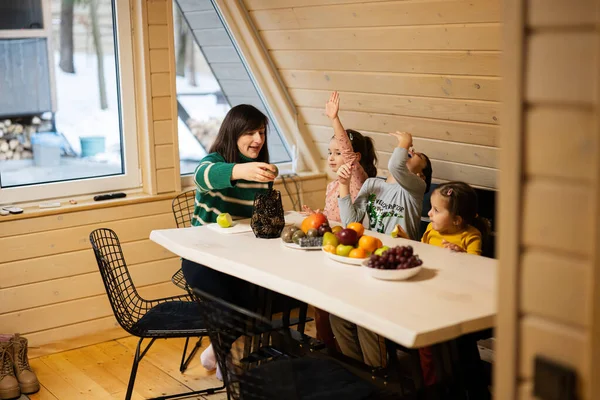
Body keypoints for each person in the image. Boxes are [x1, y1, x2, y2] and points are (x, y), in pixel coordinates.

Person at [181, 104, 277, 379]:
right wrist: (240, 172)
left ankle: (216, 349)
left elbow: (260, 221)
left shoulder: (261, 174)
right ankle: (224, 358)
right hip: (202, 257)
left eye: (261, 132)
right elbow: (201, 177)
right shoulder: (214, 161)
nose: (258, 139)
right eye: (250, 132)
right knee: (228, 305)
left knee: (265, 299)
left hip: (241, 259)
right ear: (233, 133)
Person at [330, 131, 433, 367]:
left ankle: (378, 376)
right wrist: (343, 185)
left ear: (420, 176)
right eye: (409, 151)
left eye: (416, 155)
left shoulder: (413, 190)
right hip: (368, 263)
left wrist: (405, 141)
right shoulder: (372, 184)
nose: (409, 153)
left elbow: (397, 167)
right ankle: (356, 373)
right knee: (338, 316)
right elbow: (350, 223)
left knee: (367, 321)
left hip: (395, 269)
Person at [302, 91, 378, 351]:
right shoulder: (333, 184)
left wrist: (334, 119)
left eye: (338, 153)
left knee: (334, 305)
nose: (332, 158)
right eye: (329, 152)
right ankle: (330, 350)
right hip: (333, 246)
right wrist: (315, 215)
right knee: (322, 305)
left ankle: (336, 351)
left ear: (354, 158)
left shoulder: (358, 177)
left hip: (352, 251)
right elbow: (331, 216)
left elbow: (347, 151)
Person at [418, 181, 490, 385]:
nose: (429, 213)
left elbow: (477, 266)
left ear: (457, 220)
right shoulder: (431, 232)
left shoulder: (470, 236)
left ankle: (446, 383)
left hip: (458, 299)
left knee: (444, 347)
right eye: (431, 208)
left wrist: (461, 256)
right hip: (431, 293)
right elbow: (423, 256)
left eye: (436, 210)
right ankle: (432, 384)